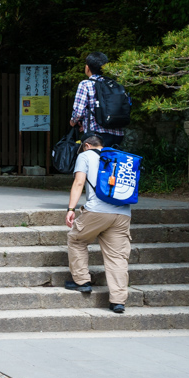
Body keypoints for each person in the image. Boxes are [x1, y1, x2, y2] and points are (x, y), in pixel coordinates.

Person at [63, 133, 130, 314]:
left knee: (76, 239)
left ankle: (82, 281)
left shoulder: (85, 156)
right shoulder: (120, 156)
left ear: (86, 145)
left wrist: (71, 209)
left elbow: (78, 183)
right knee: (117, 257)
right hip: (122, 213)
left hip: (97, 211)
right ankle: (118, 301)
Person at [69, 51, 125, 150]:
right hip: (117, 134)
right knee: (110, 164)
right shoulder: (114, 84)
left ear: (87, 68)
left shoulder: (86, 84)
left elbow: (78, 112)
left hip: (96, 136)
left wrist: (73, 121)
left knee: (94, 164)